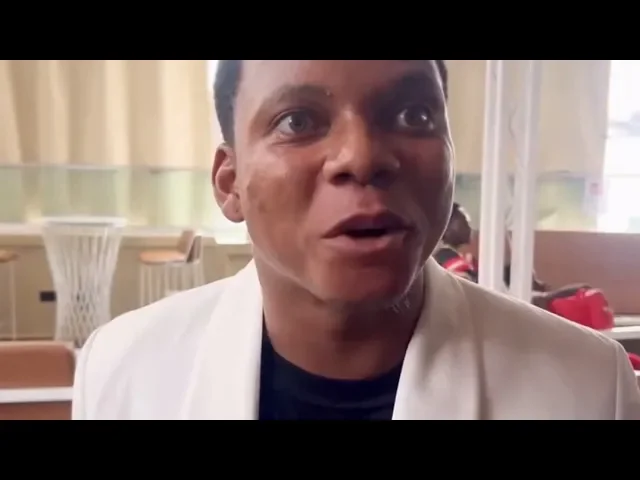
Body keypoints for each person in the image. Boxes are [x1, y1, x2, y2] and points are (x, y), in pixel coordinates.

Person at [72, 60, 640, 420]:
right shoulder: (124, 371)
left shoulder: (588, 387)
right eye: (297, 121)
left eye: (414, 114)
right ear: (230, 182)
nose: (363, 157)